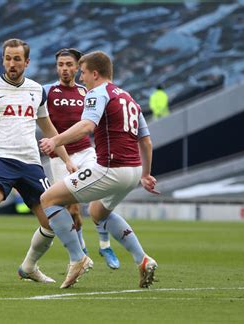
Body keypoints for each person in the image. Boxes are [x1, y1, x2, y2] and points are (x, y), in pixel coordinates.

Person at [0, 38, 77, 285]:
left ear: (27, 62)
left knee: (51, 222)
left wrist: (67, 159)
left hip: (31, 163)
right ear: (3, 60)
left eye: (17, 59)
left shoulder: (37, 91)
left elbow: (48, 128)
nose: (12, 63)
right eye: (8, 58)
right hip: (1, 158)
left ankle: (29, 267)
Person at [39, 51, 159, 289]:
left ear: (95, 73)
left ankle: (77, 257)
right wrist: (145, 174)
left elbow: (86, 126)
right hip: (133, 171)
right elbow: (146, 141)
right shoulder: (127, 97)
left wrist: (56, 141)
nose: (81, 78)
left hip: (110, 168)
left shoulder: (97, 93)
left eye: (82, 72)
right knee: (97, 212)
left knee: (48, 199)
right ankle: (142, 258)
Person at [42, 47, 120, 269]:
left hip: (86, 151)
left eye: (69, 65)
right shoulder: (47, 91)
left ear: (78, 67)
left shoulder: (87, 92)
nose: (64, 69)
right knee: (72, 209)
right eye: (60, 65)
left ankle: (104, 245)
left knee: (103, 194)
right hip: (59, 157)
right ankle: (82, 249)